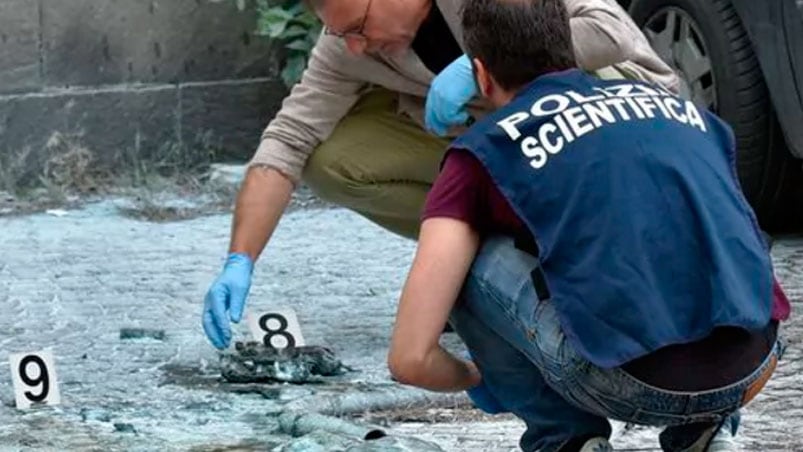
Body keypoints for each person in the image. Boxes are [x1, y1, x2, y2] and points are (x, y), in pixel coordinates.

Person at [386, 0, 790, 451]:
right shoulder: (686, 112)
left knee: (464, 260)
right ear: (570, 44)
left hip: (628, 383)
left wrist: (483, 374)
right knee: (685, 214)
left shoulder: (486, 150)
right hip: (755, 360)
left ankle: (564, 437)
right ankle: (706, 429)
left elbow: (410, 357)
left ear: (479, 74)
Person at [201, 0, 680, 350]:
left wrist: (487, 65)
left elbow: (610, 32)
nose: (353, 45)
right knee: (329, 156)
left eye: (359, 27)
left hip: (605, 112)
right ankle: (494, 266)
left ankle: (614, 264)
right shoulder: (350, 47)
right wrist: (240, 260)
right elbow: (288, 139)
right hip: (500, 138)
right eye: (341, 33)